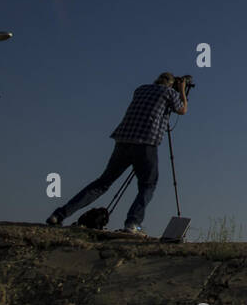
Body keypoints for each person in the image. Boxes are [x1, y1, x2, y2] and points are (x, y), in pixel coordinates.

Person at [46, 72, 189, 235]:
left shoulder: (140, 89)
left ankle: (59, 215)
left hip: (123, 140)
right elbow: (182, 110)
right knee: (148, 185)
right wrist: (182, 91)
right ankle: (132, 223)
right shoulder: (169, 93)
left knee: (102, 183)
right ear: (172, 84)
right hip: (146, 143)